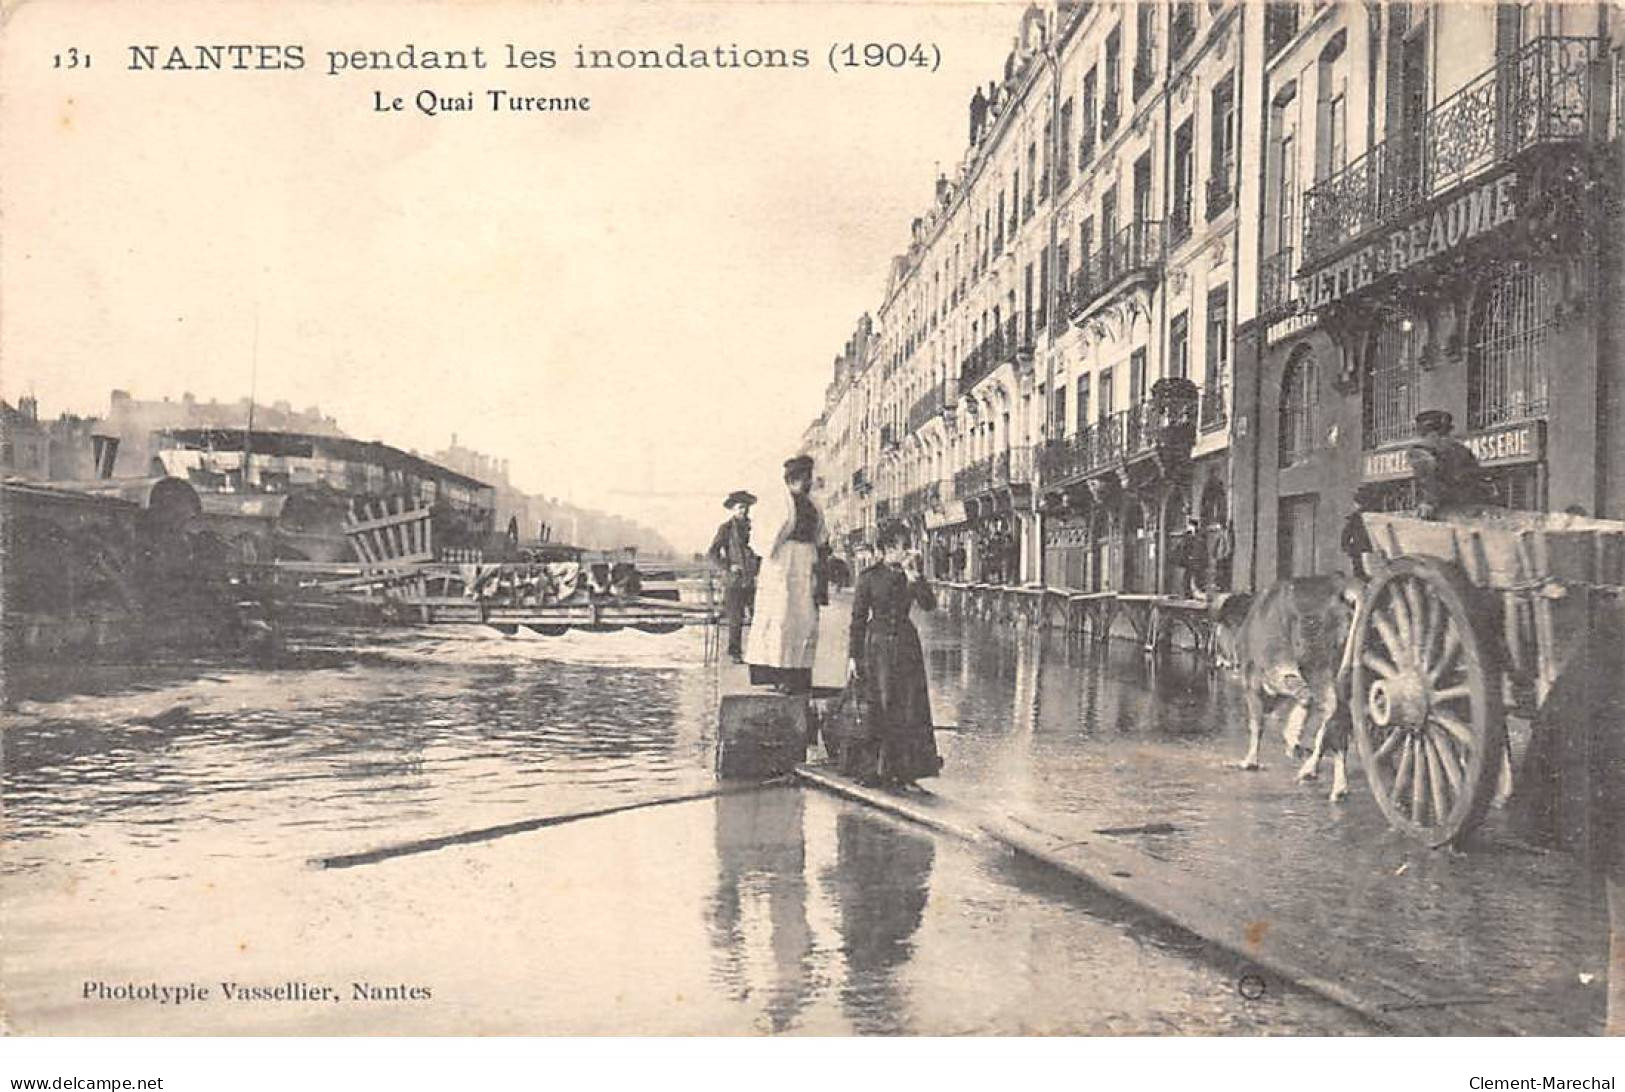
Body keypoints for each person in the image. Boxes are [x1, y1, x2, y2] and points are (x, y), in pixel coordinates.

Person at [846, 520, 944, 788]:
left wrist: (915, 578)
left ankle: (907, 769)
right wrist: (853, 657)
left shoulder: (909, 575)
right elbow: (857, 619)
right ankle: (874, 769)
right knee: (879, 704)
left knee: (910, 704)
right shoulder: (868, 577)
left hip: (906, 645)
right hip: (876, 646)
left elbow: (929, 606)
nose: (908, 551)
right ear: (889, 548)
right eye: (903, 546)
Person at [745, 455, 828, 694]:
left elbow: (821, 535)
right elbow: (768, 537)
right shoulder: (778, 502)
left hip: (805, 563)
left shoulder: (813, 504)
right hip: (782, 565)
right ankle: (778, 674)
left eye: (809, 478)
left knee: (804, 620)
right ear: (793, 479)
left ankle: (799, 673)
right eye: (805, 478)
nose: (808, 483)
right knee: (780, 619)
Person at [707, 490, 758, 662]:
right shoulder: (726, 529)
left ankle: (757, 655)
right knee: (735, 618)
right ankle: (735, 653)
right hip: (734, 580)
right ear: (733, 509)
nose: (744, 511)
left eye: (746, 508)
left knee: (758, 617)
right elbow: (712, 553)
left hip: (754, 579)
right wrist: (728, 566)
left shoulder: (756, 527)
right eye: (740, 507)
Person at [1408, 409, 1489, 519]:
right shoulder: (1462, 449)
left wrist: (1429, 502)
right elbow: (1476, 476)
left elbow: (1428, 474)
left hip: (1443, 510)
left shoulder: (1420, 450)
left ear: (1425, 432)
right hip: (1470, 508)